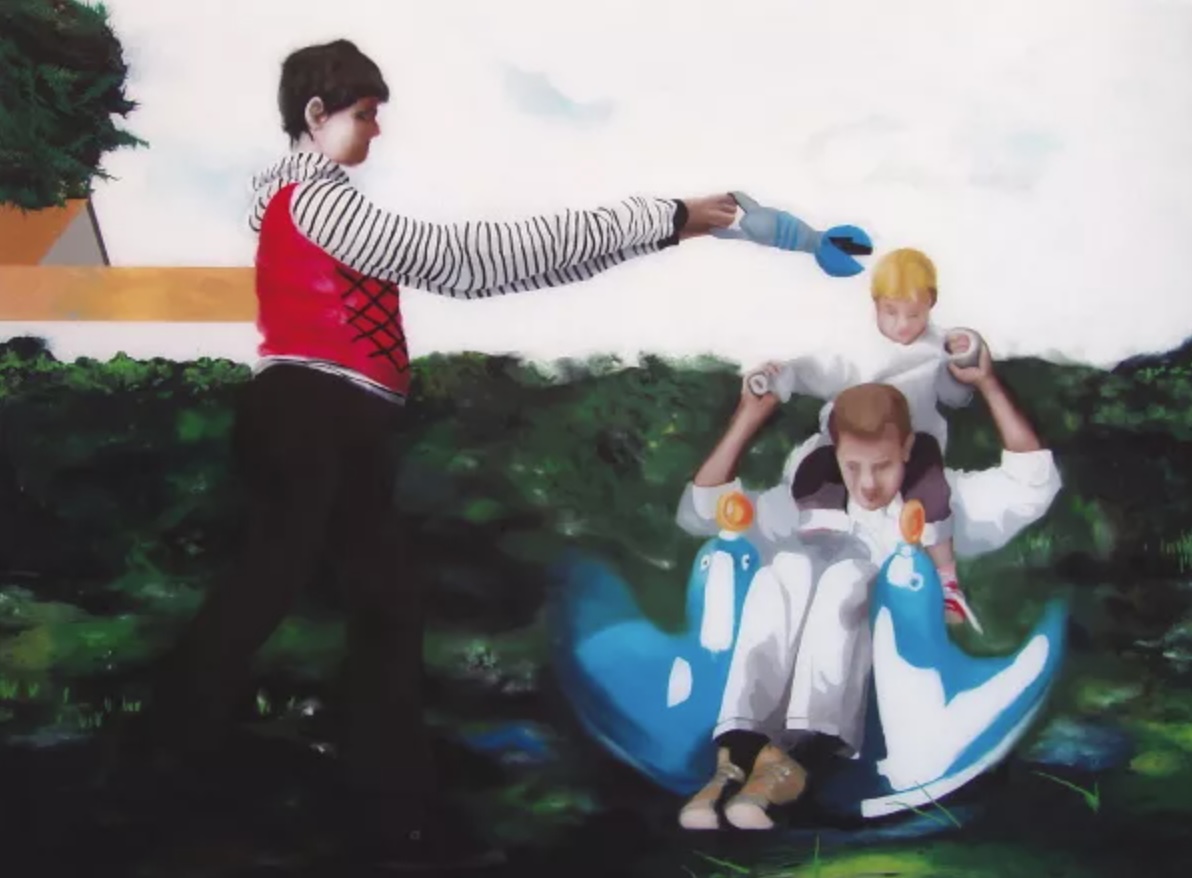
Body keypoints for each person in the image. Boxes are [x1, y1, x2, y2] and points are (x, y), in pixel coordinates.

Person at [98, 38, 746, 872]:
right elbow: (464, 262)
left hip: (342, 420)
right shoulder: (315, 199)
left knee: (379, 609)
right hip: (311, 412)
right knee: (278, 591)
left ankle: (384, 815)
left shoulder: (312, 201)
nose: (376, 132)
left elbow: (485, 271)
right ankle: (161, 774)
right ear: (316, 115)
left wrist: (666, 227)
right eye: (365, 115)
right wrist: (662, 218)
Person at [673, 343, 1061, 831]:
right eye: (853, 467)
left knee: (847, 578)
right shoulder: (809, 499)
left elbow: (1032, 486)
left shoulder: (938, 500)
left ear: (906, 450)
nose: (869, 484)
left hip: (894, 663)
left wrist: (987, 384)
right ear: (835, 455)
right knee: (783, 568)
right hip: (790, 665)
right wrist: (749, 416)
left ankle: (801, 758)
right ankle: (737, 754)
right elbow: (703, 511)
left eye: (883, 466)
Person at [748, 247, 982, 629]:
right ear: (875, 305)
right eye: (891, 312)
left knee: (931, 486)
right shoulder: (857, 350)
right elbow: (815, 371)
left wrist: (964, 360)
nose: (902, 325)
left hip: (908, 443)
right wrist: (778, 376)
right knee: (817, 471)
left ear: (932, 304)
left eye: (914, 314)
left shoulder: (936, 349)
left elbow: (956, 395)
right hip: (853, 437)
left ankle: (947, 581)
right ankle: (818, 553)